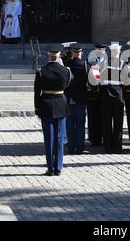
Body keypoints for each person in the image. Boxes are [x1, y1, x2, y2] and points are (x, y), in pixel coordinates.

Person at [34, 46, 73, 176]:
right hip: (60, 104)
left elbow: (36, 92)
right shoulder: (66, 71)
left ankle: (50, 168)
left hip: (45, 105)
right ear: (59, 56)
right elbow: (68, 83)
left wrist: (37, 107)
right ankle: (59, 167)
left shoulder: (41, 71)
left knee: (49, 138)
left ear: (48, 56)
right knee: (60, 138)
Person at [100, 43, 125, 154]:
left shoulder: (103, 62)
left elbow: (96, 77)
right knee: (118, 122)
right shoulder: (123, 63)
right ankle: (117, 147)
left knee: (106, 121)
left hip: (106, 92)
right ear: (118, 52)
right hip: (118, 92)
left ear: (111, 51)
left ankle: (108, 147)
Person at [64, 45, 88, 155]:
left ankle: (70, 147)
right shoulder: (85, 65)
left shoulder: (66, 65)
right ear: (81, 53)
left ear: (73, 53)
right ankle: (80, 147)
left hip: (69, 98)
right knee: (80, 123)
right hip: (81, 98)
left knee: (69, 123)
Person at [86, 44, 107, 146]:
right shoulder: (90, 61)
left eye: (101, 51)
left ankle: (103, 136)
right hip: (93, 94)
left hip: (104, 93)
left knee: (103, 116)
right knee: (92, 116)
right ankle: (94, 138)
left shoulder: (108, 62)